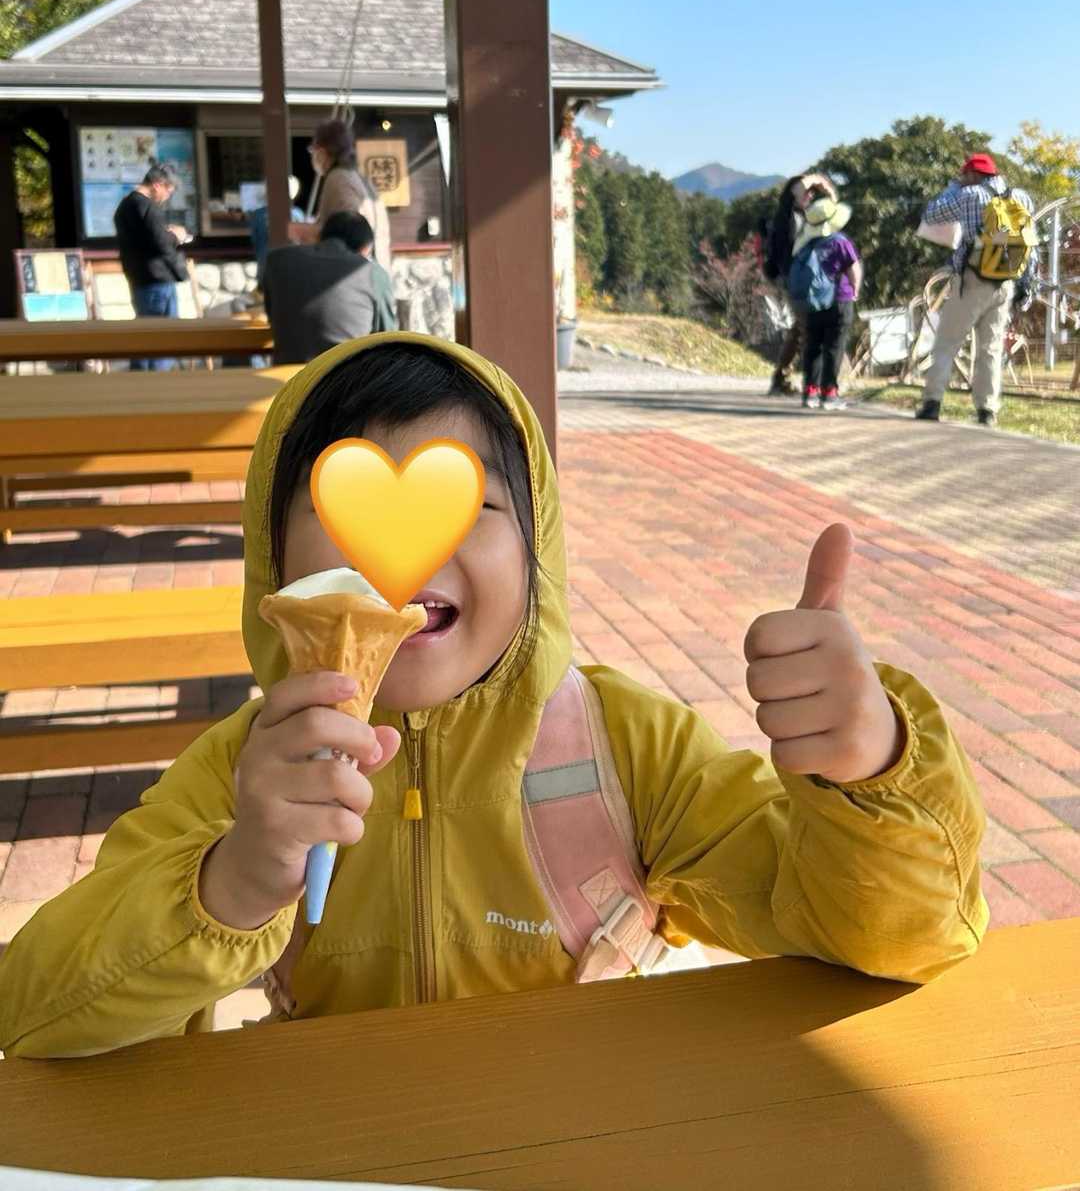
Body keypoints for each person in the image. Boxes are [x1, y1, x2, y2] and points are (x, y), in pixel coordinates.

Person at [0, 332, 988, 1058]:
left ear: (536, 550)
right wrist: (230, 881)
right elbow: (37, 1012)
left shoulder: (627, 747)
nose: (404, 550)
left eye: (467, 505)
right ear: (274, 557)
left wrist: (872, 771)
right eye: (345, 506)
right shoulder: (244, 772)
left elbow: (890, 941)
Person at [916, 153, 1037, 428]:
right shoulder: (1021, 197)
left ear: (972, 175)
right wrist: (1026, 284)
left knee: (947, 342)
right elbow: (1031, 243)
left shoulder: (969, 194)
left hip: (973, 280)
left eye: (964, 175)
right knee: (991, 349)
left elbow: (931, 215)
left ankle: (932, 403)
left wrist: (952, 188)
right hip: (1005, 282)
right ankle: (987, 410)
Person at [262, 211, 399, 365]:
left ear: (320, 236)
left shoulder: (276, 261)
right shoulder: (372, 273)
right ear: (363, 249)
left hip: (287, 374)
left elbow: (271, 314)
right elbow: (388, 340)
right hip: (346, 374)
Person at [113, 162, 192, 371]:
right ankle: (160, 381)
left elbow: (147, 239)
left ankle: (140, 380)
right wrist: (176, 236)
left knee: (144, 336)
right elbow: (161, 243)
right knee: (164, 338)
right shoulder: (147, 207)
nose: (167, 197)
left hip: (138, 278)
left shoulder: (125, 206)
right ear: (157, 185)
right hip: (157, 280)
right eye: (168, 191)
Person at [764, 172, 837, 395]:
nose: (811, 195)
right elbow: (797, 190)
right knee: (811, 329)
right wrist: (813, 180)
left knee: (799, 330)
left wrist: (825, 187)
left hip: (804, 278)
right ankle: (815, 384)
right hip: (793, 279)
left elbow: (833, 205)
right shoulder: (786, 216)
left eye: (813, 193)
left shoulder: (808, 216)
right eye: (807, 192)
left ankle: (781, 378)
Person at [791, 192, 862, 411]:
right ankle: (829, 394)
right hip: (838, 300)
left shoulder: (806, 244)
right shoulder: (840, 242)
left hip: (812, 303)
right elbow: (853, 269)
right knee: (834, 346)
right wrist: (855, 290)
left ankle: (810, 392)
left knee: (813, 345)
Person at [303, 119, 391, 272]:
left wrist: (302, 231)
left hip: (354, 272)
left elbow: (346, 231)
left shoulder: (337, 178)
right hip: (376, 269)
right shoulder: (358, 177)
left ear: (323, 152)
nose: (314, 156)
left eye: (314, 150)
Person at [248, 175, 306, 281]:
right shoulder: (298, 215)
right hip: (293, 268)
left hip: (266, 267)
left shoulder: (257, 215)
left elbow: (255, 241)